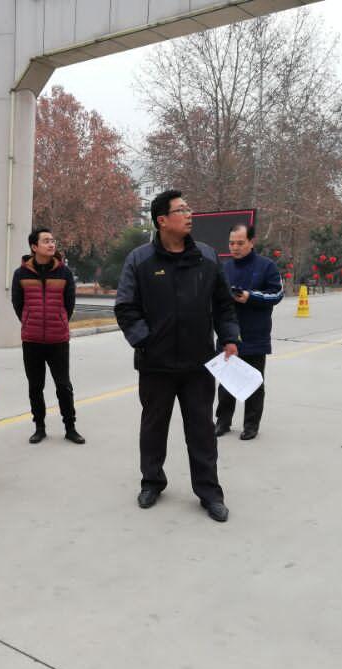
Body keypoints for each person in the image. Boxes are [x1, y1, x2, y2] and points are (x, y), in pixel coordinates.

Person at [115, 190, 240, 522]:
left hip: (198, 364)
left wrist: (229, 337)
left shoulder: (206, 257)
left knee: (202, 431)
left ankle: (210, 492)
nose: (189, 214)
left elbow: (224, 304)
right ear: (162, 220)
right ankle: (152, 482)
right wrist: (145, 341)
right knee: (153, 428)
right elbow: (125, 307)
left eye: (188, 208)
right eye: (181, 210)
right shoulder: (140, 260)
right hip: (155, 365)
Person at [11, 227, 85, 445]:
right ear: (34, 247)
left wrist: (60, 321)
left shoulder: (64, 272)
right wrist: (29, 321)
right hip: (32, 340)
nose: (51, 244)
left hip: (58, 339)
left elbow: (69, 304)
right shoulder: (21, 274)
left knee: (64, 385)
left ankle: (70, 427)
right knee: (35, 386)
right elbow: (18, 304)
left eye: (52, 240)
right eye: (46, 241)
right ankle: (39, 428)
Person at [215, 224, 283, 441]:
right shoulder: (224, 268)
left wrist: (250, 297)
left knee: (254, 382)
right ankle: (223, 421)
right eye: (231, 243)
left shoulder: (266, 266)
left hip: (255, 335)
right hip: (228, 335)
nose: (234, 247)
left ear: (251, 242)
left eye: (240, 243)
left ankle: (251, 425)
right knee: (226, 382)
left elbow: (276, 295)